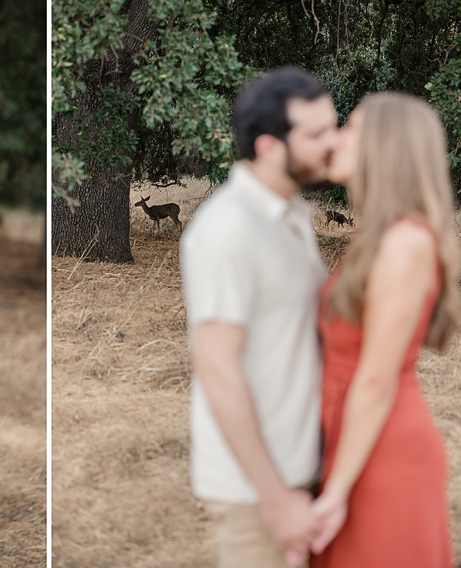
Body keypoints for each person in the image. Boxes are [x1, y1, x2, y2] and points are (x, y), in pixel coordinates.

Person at [180, 67, 339, 568]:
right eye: (316, 135)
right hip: (257, 489)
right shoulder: (229, 229)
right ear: (270, 146)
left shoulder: (292, 215)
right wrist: (275, 497)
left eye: (332, 127)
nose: (332, 144)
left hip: (302, 466)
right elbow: (217, 370)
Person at [309, 92, 461, 567]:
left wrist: (335, 493)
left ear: (384, 146)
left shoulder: (405, 244)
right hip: (348, 438)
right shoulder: (374, 237)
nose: (334, 139)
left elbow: (375, 381)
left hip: (382, 453)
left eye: (349, 128)